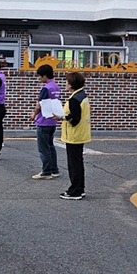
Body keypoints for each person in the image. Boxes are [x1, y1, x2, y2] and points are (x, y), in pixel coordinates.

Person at [59, 72, 91, 200]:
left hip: (74, 135)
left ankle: (75, 190)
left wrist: (61, 117)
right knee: (78, 163)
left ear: (72, 84)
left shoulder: (74, 99)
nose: (65, 84)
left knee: (74, 165)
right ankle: (79, 188)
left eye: (67, 82)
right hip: (81, 134)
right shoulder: (82, 95)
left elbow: (75, 119)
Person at [29, 64, 61, 179]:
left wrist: (34, 114)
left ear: (45, 76)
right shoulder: (56, 87)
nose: (39, 78)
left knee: (43, 148)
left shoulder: (46, 88)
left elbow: (40, 104)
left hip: (43, 120)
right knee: (50, 146)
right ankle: (54, 169)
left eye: (40, 76)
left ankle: (46, 171)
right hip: (52, 121)